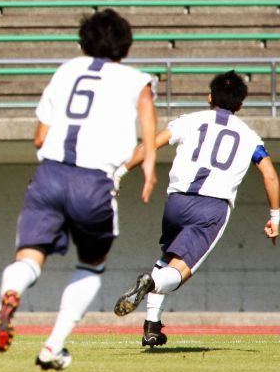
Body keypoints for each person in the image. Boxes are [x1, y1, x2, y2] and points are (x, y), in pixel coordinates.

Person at [0, 8, 158, 370]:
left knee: (29, 257)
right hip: (94, 181)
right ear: (126, 45)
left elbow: (40, 135)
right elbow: (147, 111)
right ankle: (52, 346)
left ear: (84, 41)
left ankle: (12, 292)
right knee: (92, 265)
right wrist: (148, 166)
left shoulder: (67, 70)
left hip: (49, 174)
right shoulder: (136, 79)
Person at [113, 70, 279, 347]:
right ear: (240, 105)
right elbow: (270, 175)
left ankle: (152, 328)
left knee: (169, 258)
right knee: (180, 271)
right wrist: (276, 217)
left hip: (176, 201)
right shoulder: (250, 137)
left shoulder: (191, 120)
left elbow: (150, 144)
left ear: (210, 97)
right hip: (212, 206)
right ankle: (150, 283)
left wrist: (119, 172)